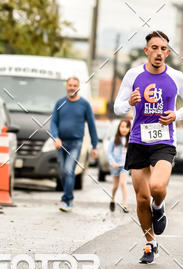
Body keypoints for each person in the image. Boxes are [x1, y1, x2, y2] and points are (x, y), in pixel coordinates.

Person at [114, 31, 183, 264]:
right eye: (154, 48)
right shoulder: (133, 75)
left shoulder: (177, 77)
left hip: (164, 141)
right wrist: (129, 103)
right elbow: (117, 107)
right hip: (139, 141)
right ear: (147, 51)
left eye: (163, 49)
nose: (159, 52)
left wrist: (176, 115)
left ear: (168, 53)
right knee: (141, 199)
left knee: (157, 187)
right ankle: (150, 244)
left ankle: (159, 207)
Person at [50, 76, 98, 212]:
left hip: (75, 143)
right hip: (60, 143)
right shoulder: (60, 103)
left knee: (68, 170)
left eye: (74, 85)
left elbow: (92, 125)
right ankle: (67, 197)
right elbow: (53, 122)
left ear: (78, 87)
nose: (72, 87)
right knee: (62, 172)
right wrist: (55, 137)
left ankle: (67, 199)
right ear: (66, 86)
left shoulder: (84, 105)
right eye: (70, 85)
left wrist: (95, 146)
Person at [107, 119, 131, 213]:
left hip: (125, 166)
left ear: (129, 128)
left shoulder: (131, 140)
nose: (124, 129)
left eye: (126, 127)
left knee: (123, 183)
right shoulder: (114, 139)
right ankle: (112, 199)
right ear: (119, 128)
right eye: (122, 127)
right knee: (115, 186)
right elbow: (109, 152)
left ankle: (125, 205)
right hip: (115, 165)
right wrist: (112, 162)